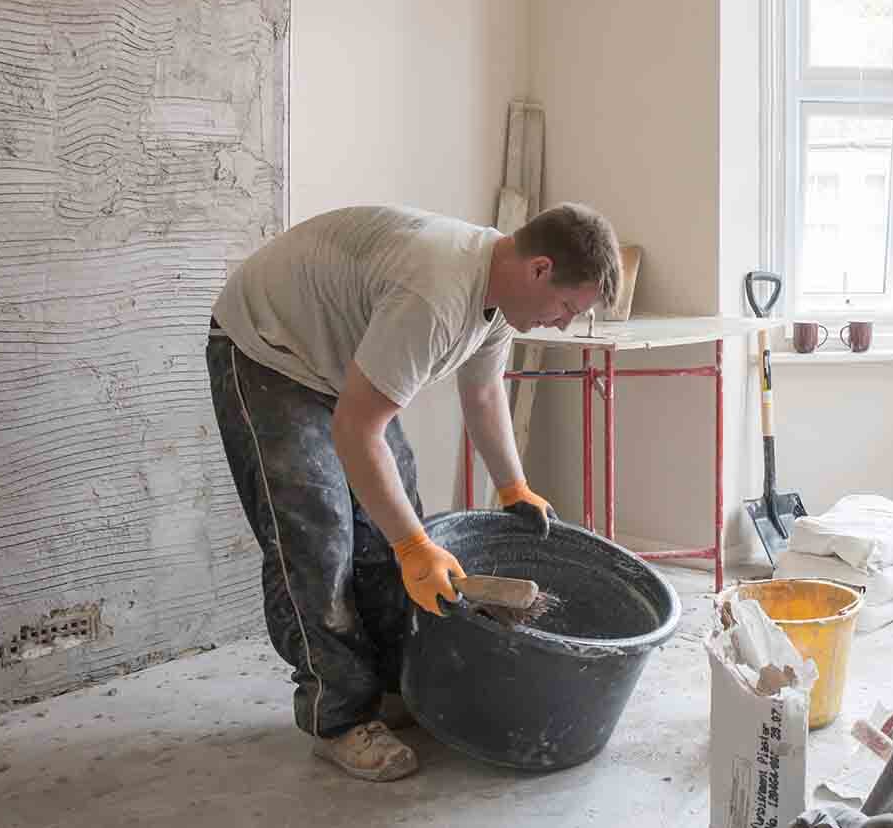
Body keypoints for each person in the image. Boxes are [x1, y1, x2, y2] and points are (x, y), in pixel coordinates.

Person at [204, 202, 621, 781]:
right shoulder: (436, 294)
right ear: (540, 269)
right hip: (271, 351)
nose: (564, 324)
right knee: (316, 538)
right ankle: (340, 717)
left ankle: (388, 684)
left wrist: (512, 483)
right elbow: (357, 430)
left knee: (389, 522)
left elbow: (482, 394)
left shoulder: (498, 299)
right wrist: (413, 547)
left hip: (337, 361)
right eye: (568, 307)